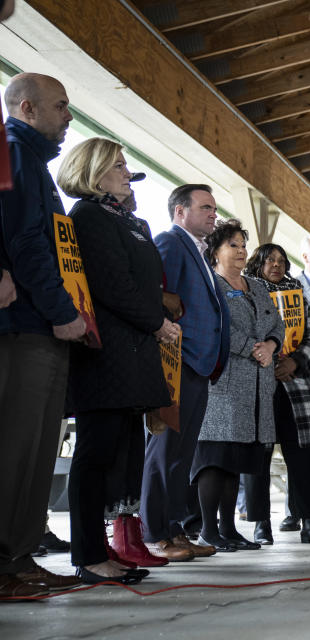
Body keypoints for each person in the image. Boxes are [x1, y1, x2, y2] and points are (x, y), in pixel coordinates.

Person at [56, 138, 178, 583]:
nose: (128, 172)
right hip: (106, 353)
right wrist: (157, 323)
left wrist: (155, 319)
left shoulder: (123, 219)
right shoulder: (88, 216)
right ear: (93, 170)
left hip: (132, 350)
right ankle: (87, 553)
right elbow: (111, 284)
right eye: (118, 165)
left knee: (121, 454)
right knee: (96, 453)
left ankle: (109, 544)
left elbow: (142, 284)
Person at [0, 72, 86, 599]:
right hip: (27, 325)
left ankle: (20, 553)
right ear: (27, 108)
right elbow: (25, 242)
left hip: (44, 325)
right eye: (60, 106)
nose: (69, 115)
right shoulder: (12, 152)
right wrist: (60, 309)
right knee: (17, 447)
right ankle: (6, 561)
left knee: (34, 449)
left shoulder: (31, 161)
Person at [141, 184, 230, 562]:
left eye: (214, 208)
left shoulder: (200, 252)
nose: (214, 214)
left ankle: (176, 529)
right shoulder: (169, 243)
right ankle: (155, 533)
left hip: (200, 365)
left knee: (183, 454)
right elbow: (158, 296)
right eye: (205, 207)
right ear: (180, 212)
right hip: (176, 363)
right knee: (163, 451)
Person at [190, 220, 283, 552]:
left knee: (236, 460)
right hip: (222, 385)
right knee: (215, 457)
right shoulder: (208, 284)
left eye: (243, 245)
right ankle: (208, 530)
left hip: (257, 386)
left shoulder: (256, 286)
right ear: (215, 251)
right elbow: (212, 326)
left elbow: (277, 323)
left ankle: (229, 529)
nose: (242, 251)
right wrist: (251, 348)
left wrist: (271, 345)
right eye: (233, 245)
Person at [239, 243, 310, 544]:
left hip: (297, 383)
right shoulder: (246, 291)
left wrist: (296, 361)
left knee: (304, 455)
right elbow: (243, 333)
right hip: (260, 382)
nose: (276, 265)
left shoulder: (298, 293)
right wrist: (269, 363)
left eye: (281, 261)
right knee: (257, 455)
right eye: (269, 260)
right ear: (257, 264)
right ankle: (261, 524)